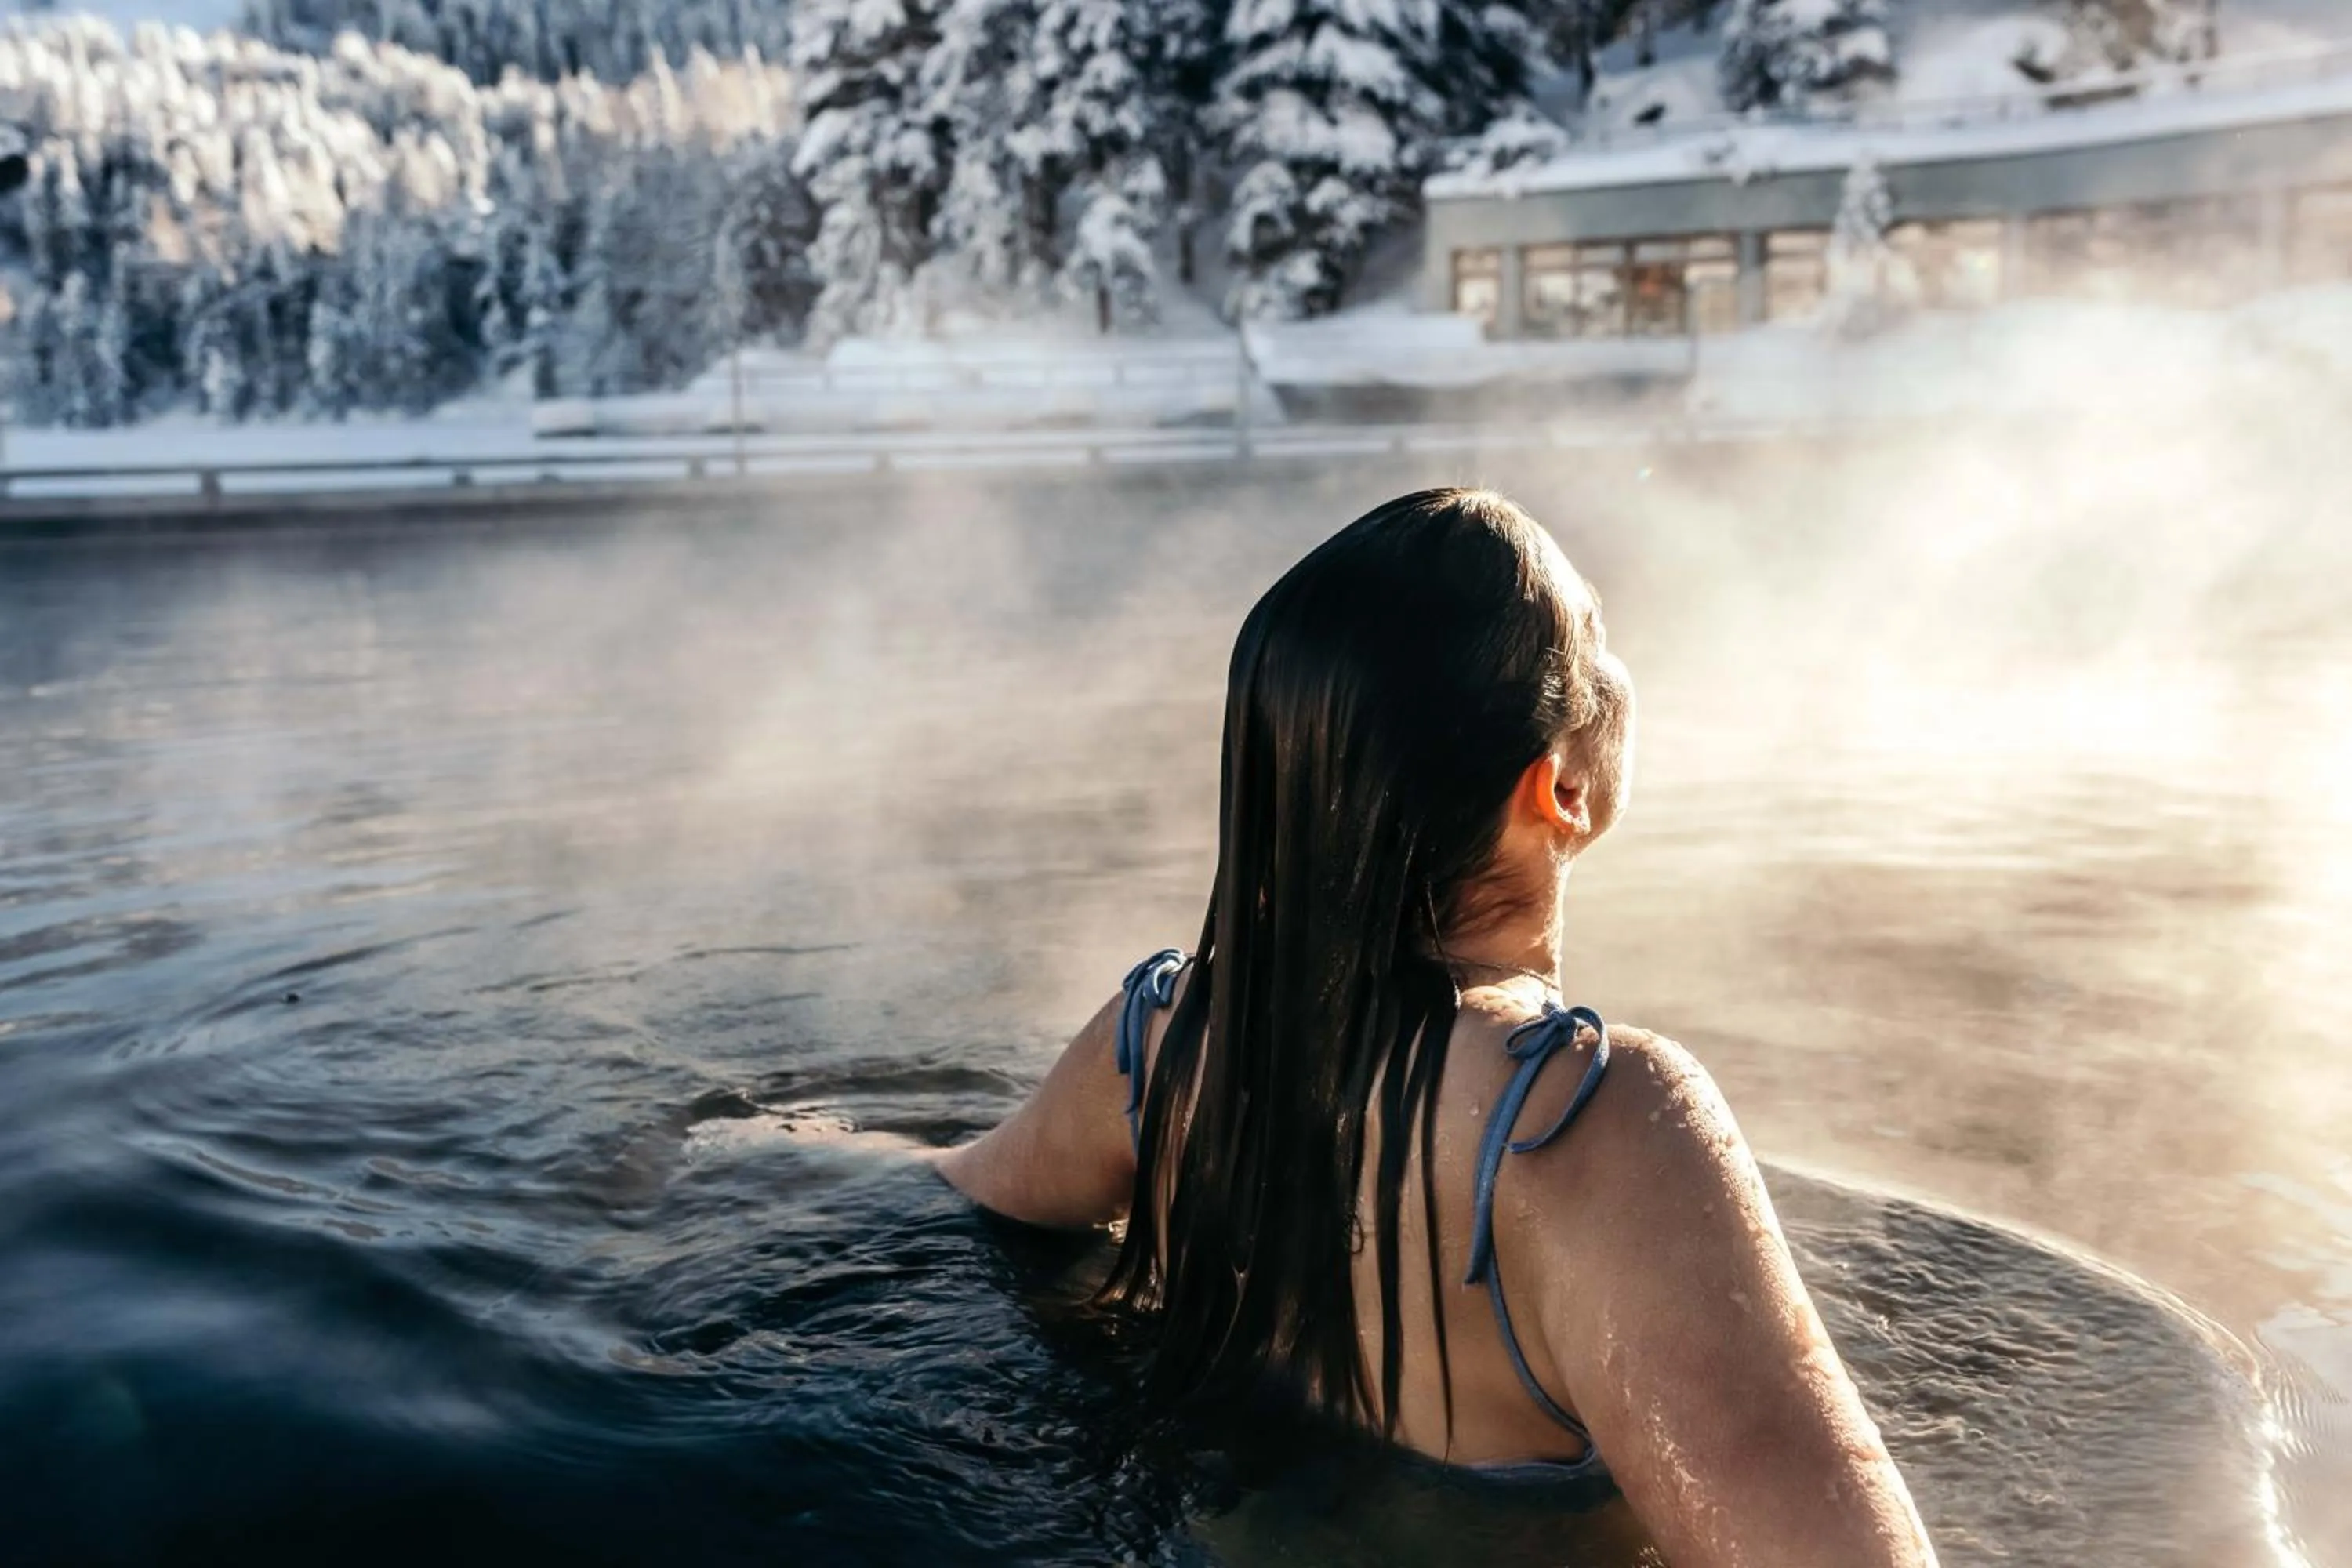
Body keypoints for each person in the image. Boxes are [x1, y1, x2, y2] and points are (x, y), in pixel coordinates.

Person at [935, 488, 1937, 1567]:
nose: (1617, 662)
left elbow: (953, 1194)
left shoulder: (1165, 1042)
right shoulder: (1591, 1122)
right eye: (1596, 638)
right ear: (1557, 786)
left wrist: (764, 1138)